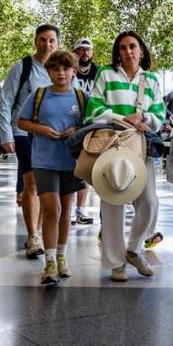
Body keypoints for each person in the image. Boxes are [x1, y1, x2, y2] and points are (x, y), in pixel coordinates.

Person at [87, 31, 165, 282]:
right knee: (112, 202)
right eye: (123, 47)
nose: (128, 52)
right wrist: (121, 118)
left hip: (141, 146)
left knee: (149, 202)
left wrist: (143, 118)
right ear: (117, 52)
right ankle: (115, 262)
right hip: (111, 144)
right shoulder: (106, 75)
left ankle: (134, 248)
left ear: (141, 50)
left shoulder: (151, 80)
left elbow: (159, 114)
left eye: (133, 46)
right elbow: (93, 109)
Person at [16, 51, 85, 285]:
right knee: (51, 208)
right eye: (56, 69)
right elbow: (21, 121)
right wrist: (41, 129)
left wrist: (77, 130)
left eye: (66, 69)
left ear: (74, 72)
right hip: (44, 159)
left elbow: (91, 124)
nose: (61, 73)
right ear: (48, 72)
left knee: (67, 209)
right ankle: (50, 261)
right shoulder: (39, 94)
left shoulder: (81, 97)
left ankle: (62, 256)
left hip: (72, 160)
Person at [0, 24, 59, 259]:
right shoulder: (22, 67)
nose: (47, 44)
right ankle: (33, 235)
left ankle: (42, 232)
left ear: (58, 43)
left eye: (52, 40)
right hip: (23, 132)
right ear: (35, 41)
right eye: (43, 39)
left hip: (51, 135)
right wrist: (5, 134)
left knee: (46, 185)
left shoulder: (61, 69)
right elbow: (6, 101)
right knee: (31, 181)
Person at [71, 38, 97, 226]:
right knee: (68, 169)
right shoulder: (69, 71)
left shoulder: (100, 73)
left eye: (87, 50)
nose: (84, 53)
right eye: (80, 50)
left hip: (89, 125)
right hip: (68, 123)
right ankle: (68, 210)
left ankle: (81, 210)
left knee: (85, 167)